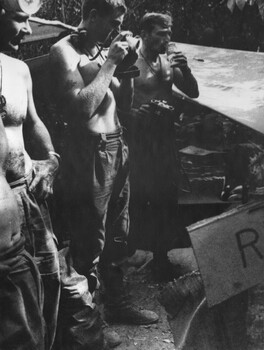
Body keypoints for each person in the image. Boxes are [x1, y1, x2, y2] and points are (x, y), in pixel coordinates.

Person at [49, 0, 159, 335]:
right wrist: (110, 61)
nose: (115, 29)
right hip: (89, 152)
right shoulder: (64, 51)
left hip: (117, 144)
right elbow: (81, 108)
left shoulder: (99, 48)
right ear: (92, 15)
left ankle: (118, 303)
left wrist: (124, 66)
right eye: (112, 21)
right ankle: (90, 326)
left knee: (118, 233)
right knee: (89, 240)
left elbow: (121, 104)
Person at [0, 4, 61, 349]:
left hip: (27, 195)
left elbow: (33, 122)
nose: (27, 29)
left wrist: (51, 159)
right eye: (21, 19)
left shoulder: (19, 69)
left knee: (47, 280)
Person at [128, 12, 198, 280]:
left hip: (164, 137)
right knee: (141, 196)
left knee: (167, 196)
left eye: (169, 33)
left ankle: (161, 257)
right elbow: (114, 99)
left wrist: (187, 68)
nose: (167, 38)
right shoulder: (130, 61)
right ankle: (134, 251)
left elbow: (192, 92)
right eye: (161, 33)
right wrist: (133, 114)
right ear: (145, 34)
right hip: (138, 138)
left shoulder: (169, 62)